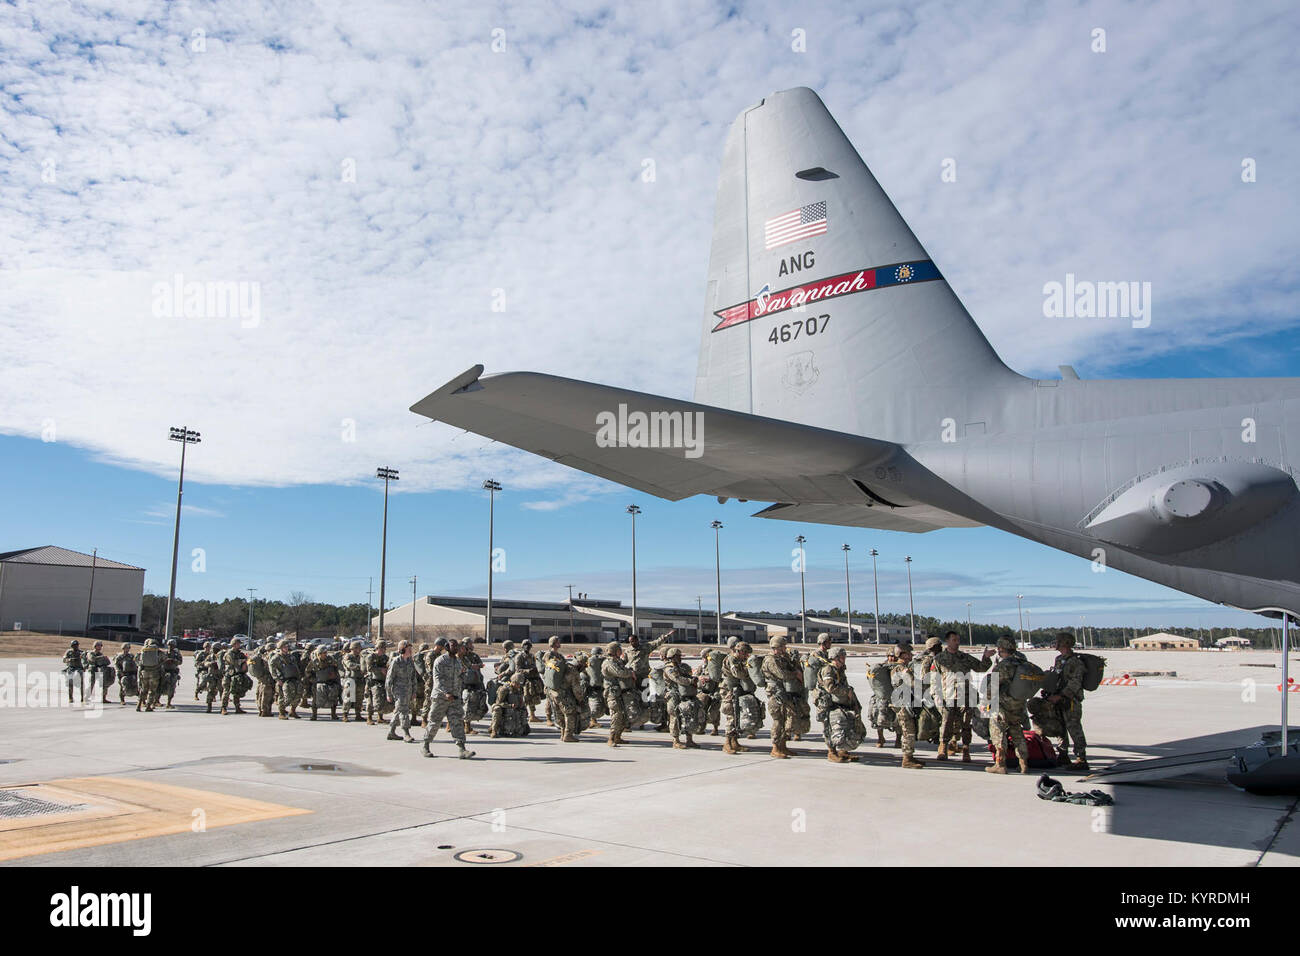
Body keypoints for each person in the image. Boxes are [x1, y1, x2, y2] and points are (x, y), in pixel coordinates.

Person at [933, 630, 991, 763]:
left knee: (965, 725)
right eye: (954, 640)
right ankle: (943, 747)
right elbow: (933, 678)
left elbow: (981, 667)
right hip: (948, 697)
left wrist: (986, 657)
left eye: (958, 640)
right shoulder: (939, 659)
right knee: (946, 723)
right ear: (947, 641)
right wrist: (935, 694)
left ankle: (966, 749)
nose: (957, 642)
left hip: (966, 696)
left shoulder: (965, 657)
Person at [1039, 632, 1088, 771]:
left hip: (1070, 700)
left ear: (1065, 643)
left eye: (1058, 641)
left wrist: (1061, 696)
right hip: (1058, 699)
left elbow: (1075, 682)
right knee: (1060, 728)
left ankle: (1081, 758)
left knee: (1074, 728)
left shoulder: (1076, 662)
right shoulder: (1059, 659)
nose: (1056, 643)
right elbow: (1057, 677)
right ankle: (1063, 754)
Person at [422, 638, 475, 759]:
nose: (455, 648)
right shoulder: (440, 661)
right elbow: (437, 679)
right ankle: (425, 746)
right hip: (440, 698)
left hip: (454, 698)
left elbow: (461, 675)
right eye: (452, 646)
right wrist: (445, 693)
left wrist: (463, 675)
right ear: (447, 647)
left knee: (457, 722)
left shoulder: (457, 661)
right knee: (434, 722)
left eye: (456, 646)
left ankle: (462, 749)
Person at [986, 637, 1030, 775]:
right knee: (1017, 733)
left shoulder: (1003, 666)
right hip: (1018, 705)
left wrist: (987, 699)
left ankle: (1000, 764)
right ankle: (1023, 764)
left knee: (998, 733)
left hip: (1002, 706)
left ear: (1001, 649)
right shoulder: (1022, 663)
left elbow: (991, 689)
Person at [760, 636, 803, 759]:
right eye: (783, 646)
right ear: (777, 647)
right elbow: (782, 674)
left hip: (783, 693)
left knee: (785, 719)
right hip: (775, 694)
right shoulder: (771, 660)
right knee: (778, 720)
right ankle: (775, 748)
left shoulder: (781, 658)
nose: (785, 648)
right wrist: (796, 674)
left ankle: (783, 746)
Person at [819, 647, 864, 763]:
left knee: (847, 726)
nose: (844, 659)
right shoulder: (828, 670)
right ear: (835, 658)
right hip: (828, 703)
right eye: (842, 657)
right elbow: (830, 687)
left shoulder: (839, 670)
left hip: (840, 702)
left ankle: (843, 751)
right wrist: (846, 691)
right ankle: (831, 753)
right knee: (830, 727)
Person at [889, 643, 925, 769]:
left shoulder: (903, 667)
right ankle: (906, 759)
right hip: (902, 704)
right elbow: (912, 682)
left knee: (910, 730)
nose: (911, 655)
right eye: (908, 653)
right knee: (908, 731)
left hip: (906, 702)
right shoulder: (900, 668)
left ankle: (910, 756)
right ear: (901, 654)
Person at [541, 636, 583, 742]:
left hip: (554, 689)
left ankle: (563, 733)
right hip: (558, 689)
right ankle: (567, 735)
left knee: (559, 711)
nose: (560, 643)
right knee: (569, 712)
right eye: (558, 642)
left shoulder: (559, 656)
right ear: (554, 643)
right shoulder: (548, 655)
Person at [720, 641, 757, 754]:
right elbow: (738, 674)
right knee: (731, 716)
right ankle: (727, 744)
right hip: (729, 691)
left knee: (737, 717)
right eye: (745, 654)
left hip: (737, 690)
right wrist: (749, 670)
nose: (747, 656)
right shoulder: (732, 659)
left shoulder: (739, 660)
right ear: (740, 651)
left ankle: (734, 742)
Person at [662, 647, 701, 749]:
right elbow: (677, 678)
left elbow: (689, 675)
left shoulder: (684, 667)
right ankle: (676, 741)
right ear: (673, 657)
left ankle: (689, 740)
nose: (680, 658)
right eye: (678, 656)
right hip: (674, 695)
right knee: (674, 717)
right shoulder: (668, 668)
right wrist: (690, 681)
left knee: (689, 716)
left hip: (685, 695)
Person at [600, 641, 637, 747]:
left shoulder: (617, 661)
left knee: (623, 715)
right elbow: (620, 673)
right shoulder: (609, 663)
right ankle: (611, 738)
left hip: (620, 692)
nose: (621, 651)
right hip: (612, 693)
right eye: (619, 649)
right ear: (614, 651)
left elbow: (624, 668)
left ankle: (618, 737)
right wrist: (631, 673)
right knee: (616, 715)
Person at [385, 640, 418, 741]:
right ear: (402, 650)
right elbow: (389, 679)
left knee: (399, 710)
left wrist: (414, 691)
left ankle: (391, 731)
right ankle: (406, 733)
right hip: (399, 691)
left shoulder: (410, 661)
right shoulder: (396, 661)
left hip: (408, 690)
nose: (410, 650)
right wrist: (388, 693)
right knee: (404, 711)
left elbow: (413, 678)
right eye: (408, 649)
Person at [805, 634, 835, 734]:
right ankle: (828, 737)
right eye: (828, 642)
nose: (830, 643)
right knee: (825, 715)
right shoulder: (816, 655)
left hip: (828, 687)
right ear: (823, 642)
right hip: (820, 689)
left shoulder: (826, 654)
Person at [489, 671, 530, 738]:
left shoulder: (519, 689)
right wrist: (510, 705)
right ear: (513, 682)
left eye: (520, 684)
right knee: (497, 709)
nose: (519, 686)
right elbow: (499, 703)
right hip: (506, 709)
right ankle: (494, 730)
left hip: (516, 710)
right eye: (517, 684)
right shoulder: (504, 689)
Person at [270, 639, 303, 719]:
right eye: (285, 646)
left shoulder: (291, 657)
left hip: (293, 679)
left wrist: (298, 677)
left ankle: (293, 711)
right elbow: (272, 669)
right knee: (283, 697)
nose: (287, 648)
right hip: (282, 680)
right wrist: (277, 679)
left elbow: (295, 667)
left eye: (287, 646)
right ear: (281, 648)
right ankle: (281, 713)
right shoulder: (276, 658)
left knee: (297, 695)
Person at [461, 638, 487, 735]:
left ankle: (467, 725)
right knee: (465, 703)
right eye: (470, 643)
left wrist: (477, 666)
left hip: (475, 681)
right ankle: (462, 726)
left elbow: (480, 664)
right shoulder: (461, 656)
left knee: (472, 703)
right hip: (464, 683)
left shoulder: (474, 655)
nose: (472, 645)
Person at [220, 637, 250, 715]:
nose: (239, 645)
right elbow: (233, 662)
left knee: (236, 692)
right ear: (233, 644)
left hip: (237, 675)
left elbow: (247, 660)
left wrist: (246, 661)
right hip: (229, 675)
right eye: (237, 644)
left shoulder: (240, 653)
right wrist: (243, 661)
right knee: (227, 691)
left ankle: (237, 707)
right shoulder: (229, 653)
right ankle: (223, 708)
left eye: (239, 644)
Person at [311, 646, 341, 720]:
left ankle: (333, 714)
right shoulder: (314, 662)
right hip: (319, 683)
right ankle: (314, 715)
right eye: (324, 653)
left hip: (330, 682)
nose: (325, 654)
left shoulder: (331, 660)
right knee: (315, 699)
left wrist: (335, 677)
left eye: (326, 653)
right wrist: (314, 680)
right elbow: (308, 672)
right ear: (319, 654)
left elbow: (336, 668)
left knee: (333, 698)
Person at [364, 640, 390, 725]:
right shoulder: (371, 657)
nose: (383, 650)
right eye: (382, 648)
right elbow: (369, 668)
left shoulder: (385, 658)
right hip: (372, 681)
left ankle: (380, 717)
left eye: (384, 648)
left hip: (382, 681)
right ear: (377, 648)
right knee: (370, 700)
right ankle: (369, 717)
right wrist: (380, 670)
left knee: (381, 698)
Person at [340, 640, 365, 723]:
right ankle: (345, 715)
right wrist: (360, 666)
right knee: (348, 698)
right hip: (351, 679)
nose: (360, 650)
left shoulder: (360, 657)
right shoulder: (348, 656)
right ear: (354, 648)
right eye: (358, 648)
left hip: (360, 679)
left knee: (359, 698)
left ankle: (358, 715)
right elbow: (349, 665)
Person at [138, 638, 164, 712]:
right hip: (154, 673)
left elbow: (137, 659)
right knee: (152, 690)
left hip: (144, 672)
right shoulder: (158, 651)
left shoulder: (143, 650)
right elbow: (164, 658)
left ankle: (139, 704)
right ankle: (148, 706)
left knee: (143, 690)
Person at [160, 638, 183, 709]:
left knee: (171, 688)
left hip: (173, 672)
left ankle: (168, 703)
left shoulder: (177, 654)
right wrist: (166, 661)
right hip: (164, 672)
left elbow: (180, 662)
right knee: (159, 686)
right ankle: (156, 701)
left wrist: (173, 661)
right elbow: (160, 661)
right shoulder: (164, 653)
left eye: (172, 645)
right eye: (169, 645)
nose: (171, 646)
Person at [62, 640, 85, 704]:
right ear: (71, 646)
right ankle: (70, 697)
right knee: (70, 683)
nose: (75, 647)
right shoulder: (69, 652)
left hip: (79, 668)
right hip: (71, 668)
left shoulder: (81, 652)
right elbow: (64, 660)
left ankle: (83, 698)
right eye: (74, 645)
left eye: (76, 645)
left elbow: (86, 660)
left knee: (81, 683)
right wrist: (69, 660)